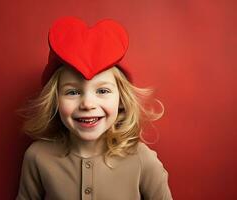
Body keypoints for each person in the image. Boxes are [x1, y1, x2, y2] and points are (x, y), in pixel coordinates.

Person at [15, 16, 173, 200]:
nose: (88, 104)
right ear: (55, 100)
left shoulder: (142, 159)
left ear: (121, 99)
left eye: (103, 90)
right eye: (72, 92)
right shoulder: (37, 157)